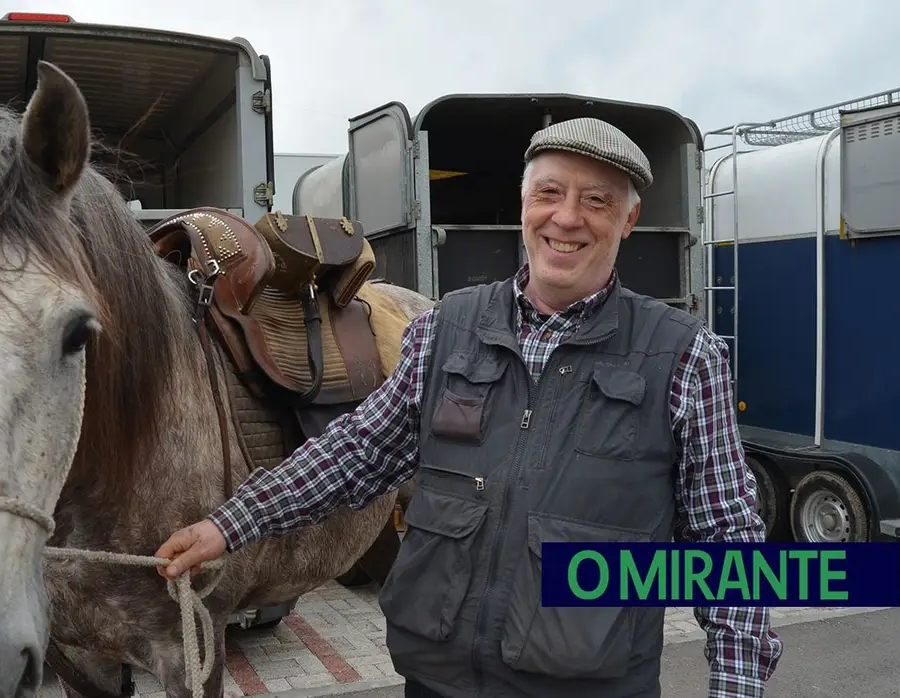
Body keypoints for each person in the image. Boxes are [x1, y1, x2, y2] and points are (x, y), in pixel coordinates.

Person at [155, 117, 783, 697]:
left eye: (597, 201)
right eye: (550, 194)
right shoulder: (445, 328)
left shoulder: (683, 356)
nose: (567, 218)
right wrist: (228, 524)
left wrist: (736, 685)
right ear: (524, 205)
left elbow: (729, 545)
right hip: (440, 681)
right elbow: (357, 452)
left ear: (629, 219)